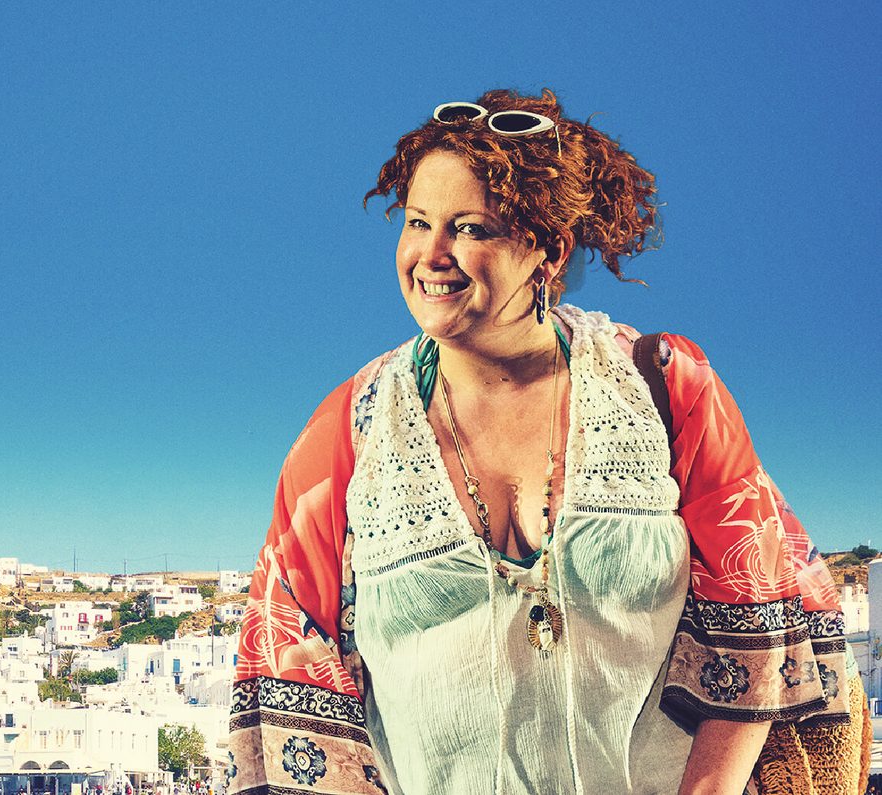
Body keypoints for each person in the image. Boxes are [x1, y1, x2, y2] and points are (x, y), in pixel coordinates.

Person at [226, 88, 867, 794]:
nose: (431, 254)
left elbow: (759, 617)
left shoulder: (664, 387)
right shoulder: (348, 430)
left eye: (469, 228)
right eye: (417, 222)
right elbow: (291, 671)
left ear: (547, 250)